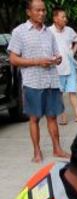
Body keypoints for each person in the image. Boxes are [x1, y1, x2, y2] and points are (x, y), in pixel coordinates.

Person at [8, 0, 69, 163]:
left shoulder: (49, 33)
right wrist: (37, 61)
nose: (42, 13)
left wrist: (57, 59)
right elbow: (13, 59)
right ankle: (37, 151)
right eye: (38, 10)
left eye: (43, 10)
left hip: (51, 81)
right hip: (33, 82)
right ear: (29, 12)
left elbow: (57, 54)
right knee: (34, 118)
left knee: (52, 117)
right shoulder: (19, 32)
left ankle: (57, 149)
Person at [49, 6, 77, 125]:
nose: (65, 19)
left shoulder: (69, 30)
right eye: (63, 17)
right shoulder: (49, 31)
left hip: (69, 64)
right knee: (59, 92)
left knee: (72, 91)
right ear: (55, 18)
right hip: (57, 66)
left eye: (65, 17)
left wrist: (72, 52)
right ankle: (62, 116)